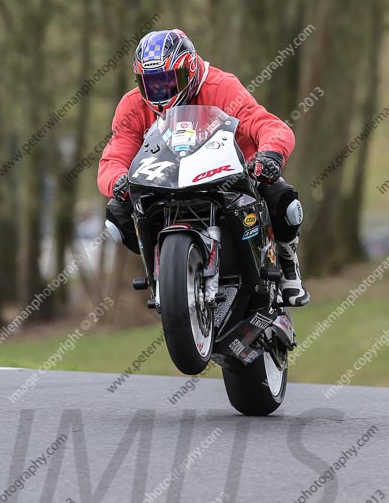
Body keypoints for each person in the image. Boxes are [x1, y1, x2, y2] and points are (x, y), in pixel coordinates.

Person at [97, 28, 310, 306]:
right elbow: (113, 157)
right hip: (165, 182)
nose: (161, 91)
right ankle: (162, 273)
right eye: (151, 84)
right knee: (117, 215)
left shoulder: (222, 87)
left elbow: (266, 125)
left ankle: (287, 260)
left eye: (170, 81)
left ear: (190, 69)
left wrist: (269, 156)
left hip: (227, 174)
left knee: (283, 200)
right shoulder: (133, 105)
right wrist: (118, 181)